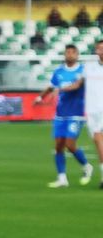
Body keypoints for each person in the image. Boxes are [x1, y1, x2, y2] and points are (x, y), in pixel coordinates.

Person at [35, 44, 91, 188]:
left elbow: (76, 86)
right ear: (64, 54)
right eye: (67, 52)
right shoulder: (59, 71)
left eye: (73, 52)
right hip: (60, 114)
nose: (70, 54)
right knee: (59, 146)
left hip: (76, 114)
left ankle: (86, 166)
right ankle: (62, 178)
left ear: (77, 55)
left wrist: (61, 89)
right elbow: (50, 87)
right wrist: (40, 97)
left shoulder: (83, 71)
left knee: (70, 144)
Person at [84, 39, 103, 189]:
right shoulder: (89, 67)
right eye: (99, 48)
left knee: (98, 139)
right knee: (97, 142)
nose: (101, 51)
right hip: (91, 111)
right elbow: (79, 83)